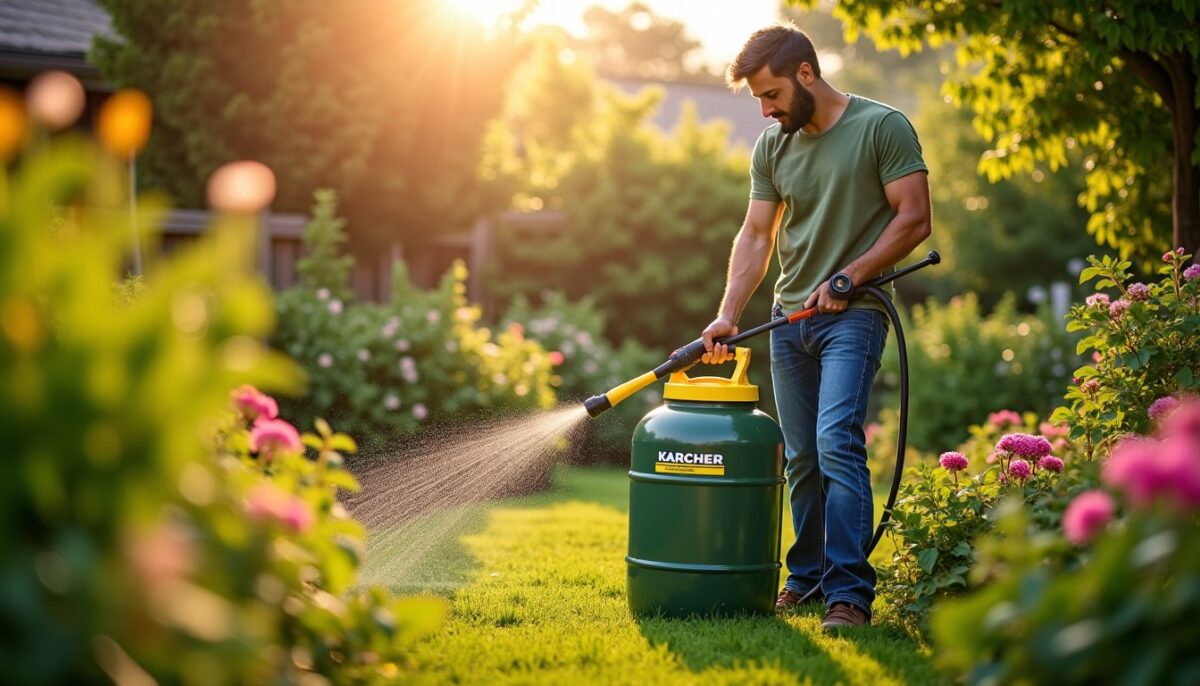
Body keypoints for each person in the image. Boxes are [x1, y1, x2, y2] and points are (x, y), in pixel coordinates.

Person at [701, 22, 931, 630]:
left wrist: (850, 276)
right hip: (789, 321)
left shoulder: (881, 127)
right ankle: (805, 580)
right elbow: (757, 234)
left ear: (806, 73)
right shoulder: (773, 146)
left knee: (836, 444)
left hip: (854, 316)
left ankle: (849, 594)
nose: (765, 110)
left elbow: (914, 218)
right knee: (801, 457)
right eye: (758, 99)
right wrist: (728, 314)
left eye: (771, 95)